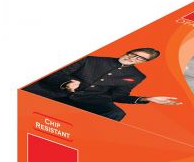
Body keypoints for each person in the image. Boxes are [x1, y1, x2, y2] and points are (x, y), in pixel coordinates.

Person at [23, 48, 181, 121]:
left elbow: (118, 96)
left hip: (87, 101)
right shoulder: (91, 59)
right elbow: (55, 74)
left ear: (145, 62)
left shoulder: (137, 76)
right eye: (132, 54)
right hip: (57, 92)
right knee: (28, 87)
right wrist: (67, 83)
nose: (132, 58)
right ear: (127, 52)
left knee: (116, 113)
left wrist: (148, 99)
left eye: (139, 58)